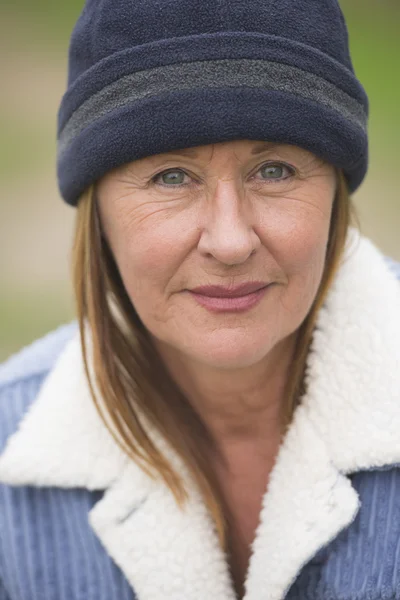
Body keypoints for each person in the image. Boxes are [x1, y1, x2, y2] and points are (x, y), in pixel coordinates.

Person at [0, 0, 399, 599]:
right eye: (170, 177)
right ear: (98, 213)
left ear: (336, 194)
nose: (231, 240)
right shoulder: (10, 450)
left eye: (276, 170)